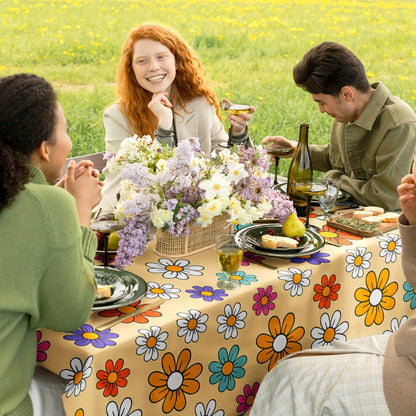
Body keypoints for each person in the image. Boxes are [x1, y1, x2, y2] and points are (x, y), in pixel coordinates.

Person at [249, 153, 416, 415]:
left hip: (408, 380)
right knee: (297, 361)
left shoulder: (398, 123)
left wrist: (334, 177)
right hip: (407, 345)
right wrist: (413, 221)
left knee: (290, 378)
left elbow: (379, 191)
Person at [0, 73, 103, 416]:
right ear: (45, 149)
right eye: (66, 130)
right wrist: (79, 213)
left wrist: (53, 200)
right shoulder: (49, 207)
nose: (69, 141)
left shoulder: (36, 201)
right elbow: (70, 313)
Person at [97, 22, 255, 213]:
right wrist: (164, 126)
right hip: (130, 220)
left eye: (161, 57)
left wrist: (238, 133)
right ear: (131, 69)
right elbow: (154, 187)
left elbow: (226, 165)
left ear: (177, 60)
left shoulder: (200, 104)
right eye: (142, 61)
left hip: (192, 217)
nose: (153, 67)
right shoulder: (117, 117)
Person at [263, 41, 416, 211]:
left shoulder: (398, 124)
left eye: (322, 102)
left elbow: (385, 197)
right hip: (349, 211)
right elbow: (338, 159)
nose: (321, 110)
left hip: (389, 227)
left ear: (346, 93)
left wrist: (333, 179)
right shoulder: (346, 113)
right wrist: (298, 151)